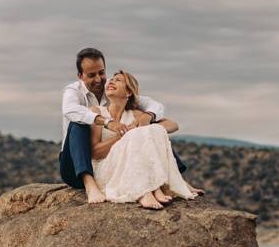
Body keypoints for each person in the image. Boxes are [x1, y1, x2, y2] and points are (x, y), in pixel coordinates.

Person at [59, 48, 169, 204]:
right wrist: (106, 122)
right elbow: (69, 110)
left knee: (150, 129)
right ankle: (89, 184)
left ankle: (170, 177)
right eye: (91, 75)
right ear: (80, 76)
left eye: (101, 73)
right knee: (79, 123)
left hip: (107, 166)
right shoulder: (73, 91)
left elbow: (154, 105)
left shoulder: (110, 90)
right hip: (75, 165)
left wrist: (148, 116)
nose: (98, 79)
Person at [89, 71, 199, 210]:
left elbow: (172, 125)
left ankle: (154, 187)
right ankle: (144, 192)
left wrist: (146, 120)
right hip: (107, 167)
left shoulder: (136, 114)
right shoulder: (97, 112)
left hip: (132, 166)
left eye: (118, 80)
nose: (111, 81)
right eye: (111, 79)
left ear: (128, 92)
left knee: (153, 130)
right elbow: (95, 153)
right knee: (137, 134)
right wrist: (124, 136)